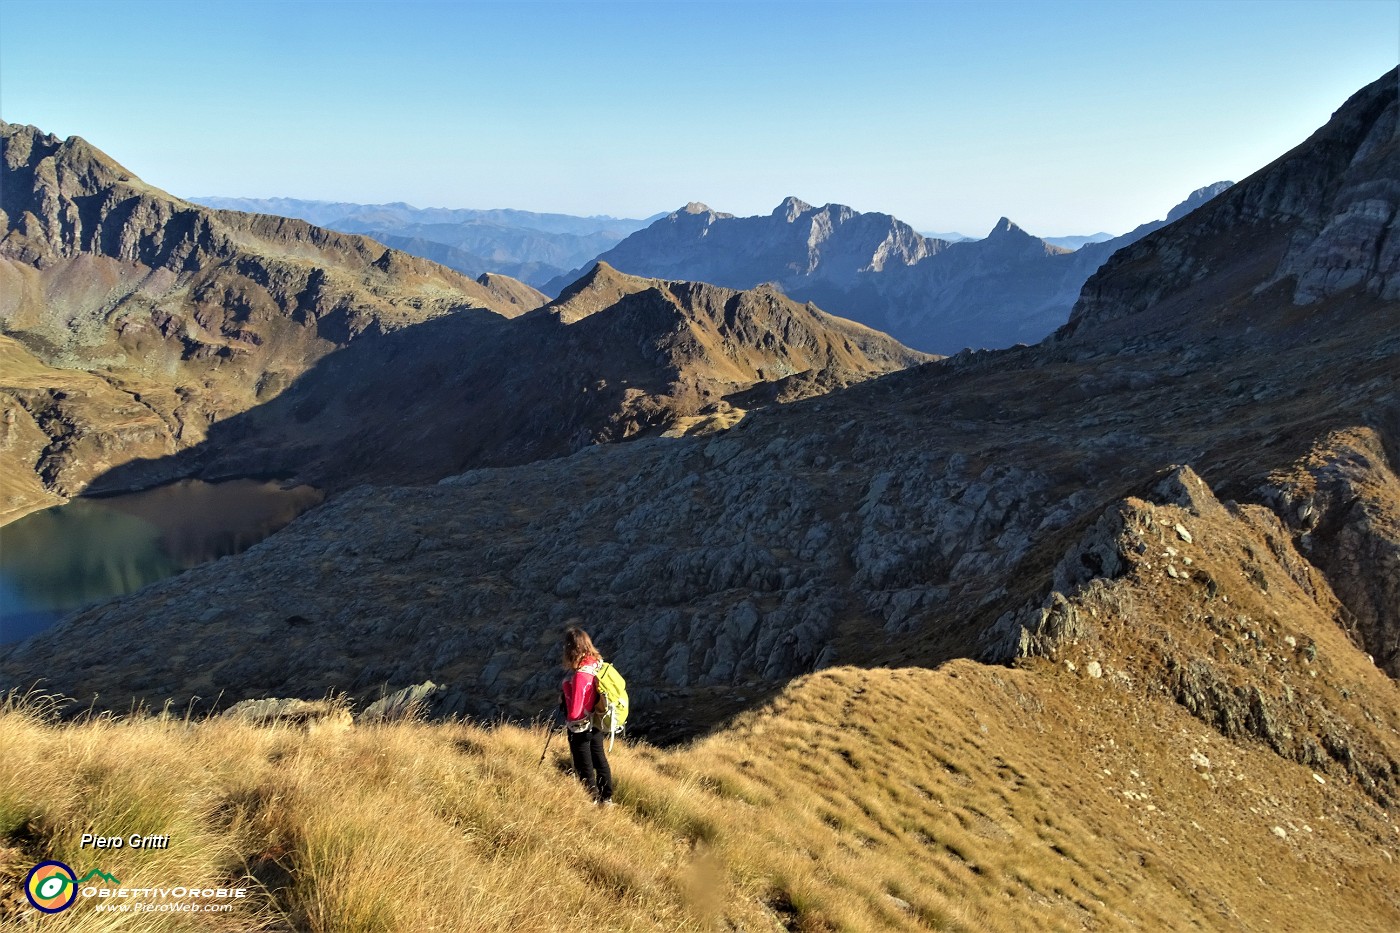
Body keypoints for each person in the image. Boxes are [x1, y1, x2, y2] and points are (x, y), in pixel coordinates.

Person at [559, 625, 614, 805]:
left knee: (584, 765)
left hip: (581, 726)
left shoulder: (580, 676)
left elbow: (575, 712)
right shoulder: (597, 664)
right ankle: (606, 798)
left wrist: (566, 697)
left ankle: (591, 800)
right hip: (596, 720)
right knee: (599, 758)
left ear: (571, 649)